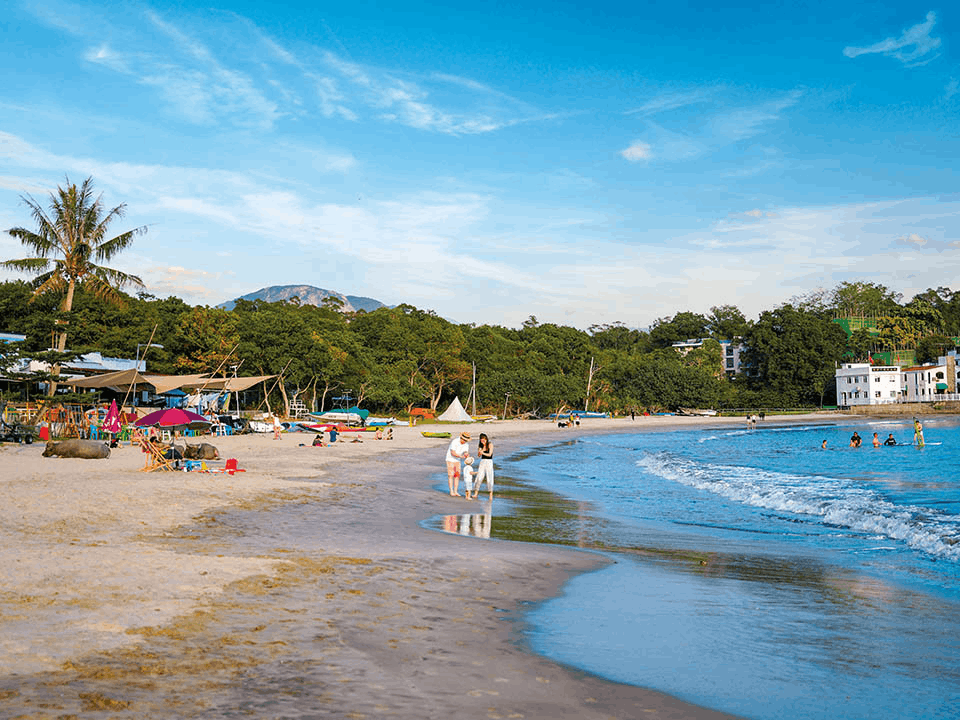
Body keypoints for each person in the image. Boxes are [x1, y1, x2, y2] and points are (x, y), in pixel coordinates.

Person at [446, 431, 470, 497]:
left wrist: (466, 455)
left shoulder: (466, 444)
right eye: (464, 440)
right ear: (461, 438)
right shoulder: (455, 441)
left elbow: (465, 452)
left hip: (457, 460)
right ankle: (451, 491)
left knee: (457, 475)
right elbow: (452, 453)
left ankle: (456, 491)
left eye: (466, 440)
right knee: (451, 475)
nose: (464, 441)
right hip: (450, 459)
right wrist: (460, 456)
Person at [473, 432, 495, 500]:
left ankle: (490, 495)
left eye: (484, 439)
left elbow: (490, 454)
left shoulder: (490, 444)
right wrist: (480, 452)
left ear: (486, 439)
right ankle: (476, 493)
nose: (483, 440)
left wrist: (482, 452)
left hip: (489, 462)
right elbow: (479, 455)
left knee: (489, 477)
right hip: (482, 461)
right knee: (479, 476)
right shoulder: (481, 446)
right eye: (482, 439)